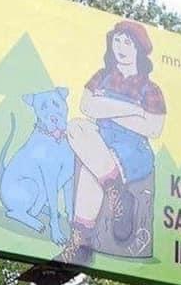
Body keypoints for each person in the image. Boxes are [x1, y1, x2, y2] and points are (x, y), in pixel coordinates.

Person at [65, 19, 167, 255]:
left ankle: (81, 243)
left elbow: (153, 128)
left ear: (139, 49)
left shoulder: (151, 89)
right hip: (101, 139)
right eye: (117, 41)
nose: (120, 47)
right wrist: (133, 109)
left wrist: (105, 107)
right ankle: (117, 193)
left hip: (133, 150)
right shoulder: (102, 76)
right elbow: (86, 107)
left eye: (127, 43)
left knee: (91, 167)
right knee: (76, 126)